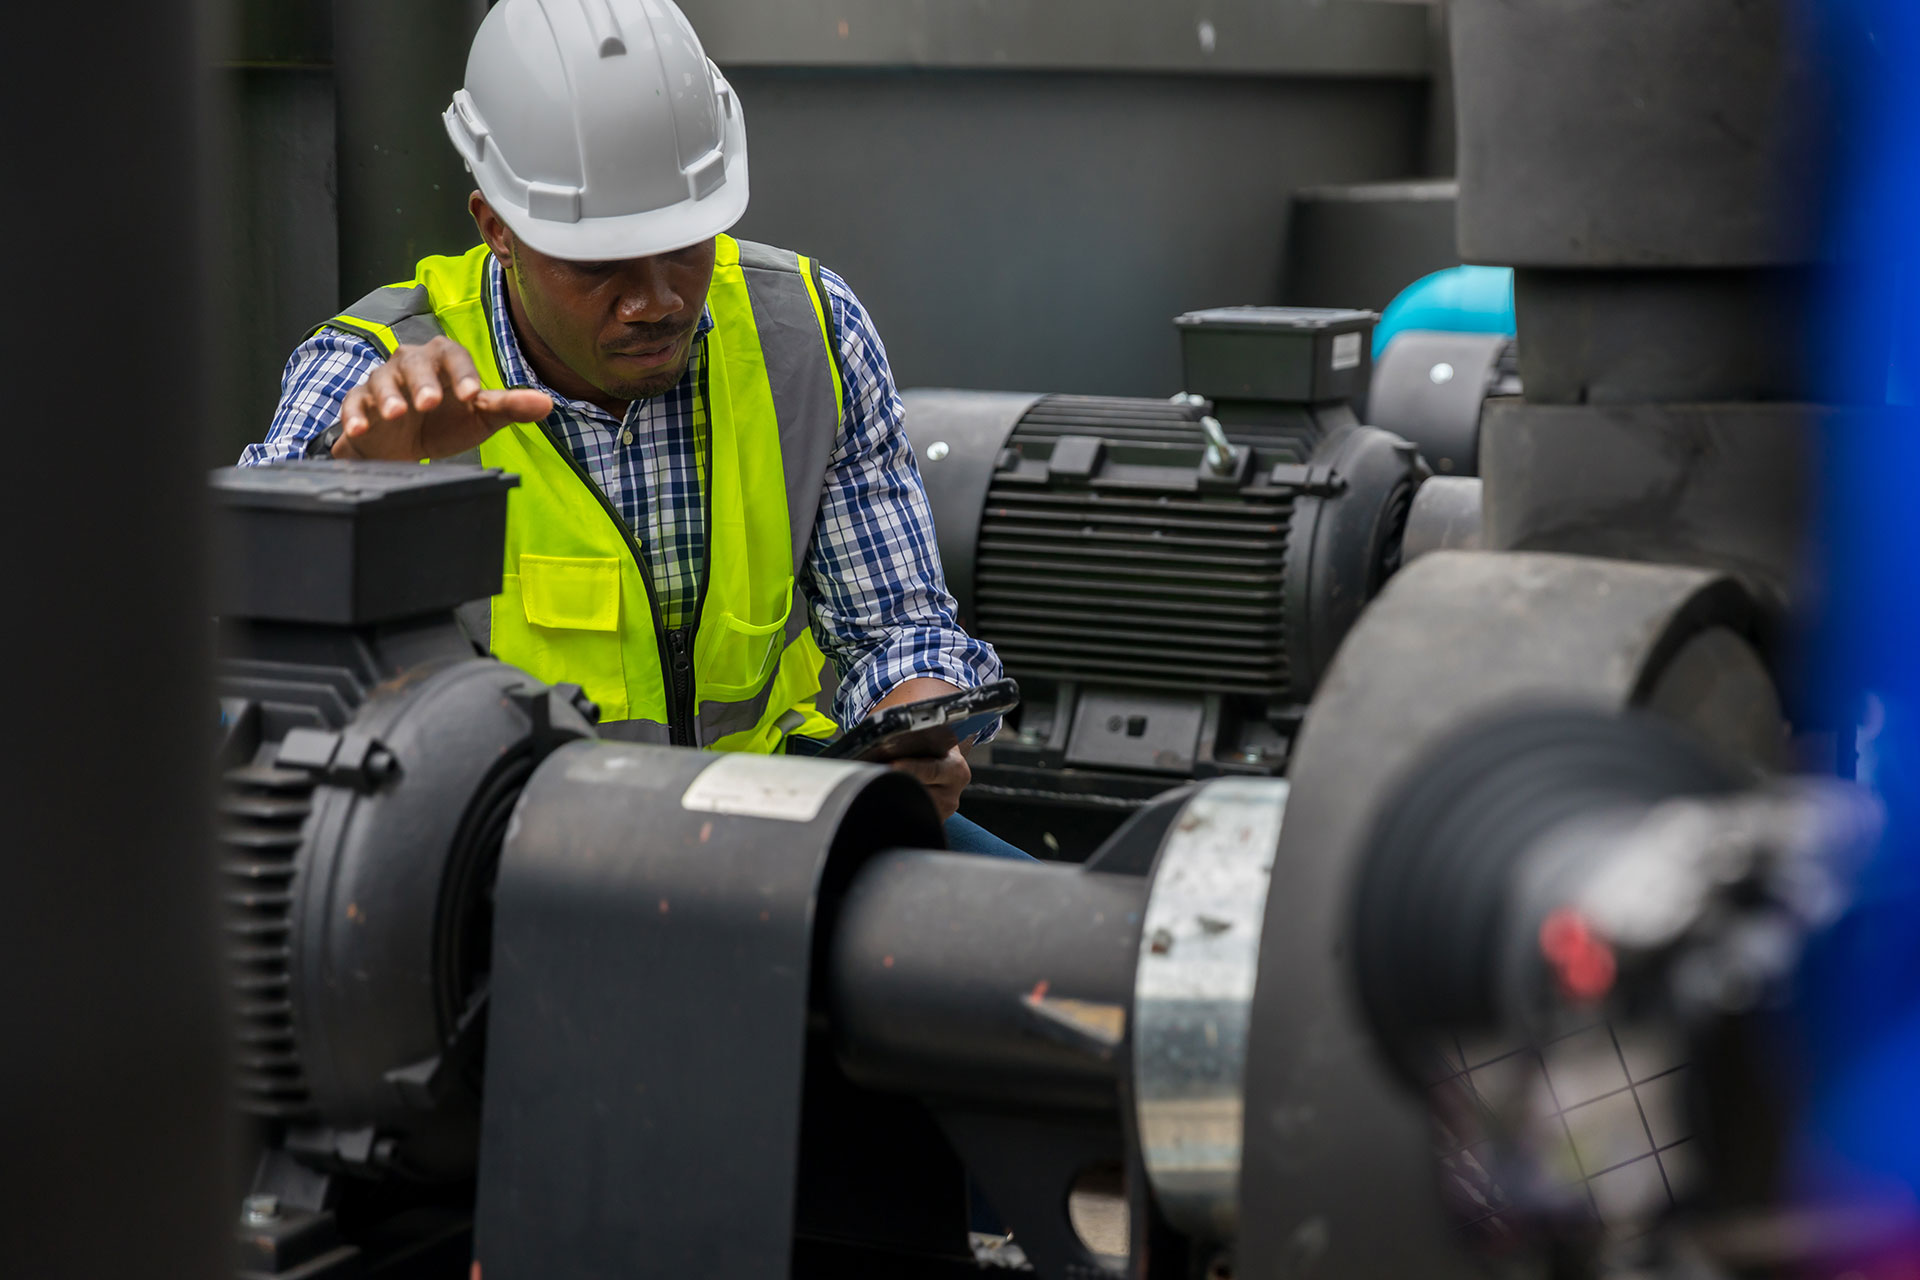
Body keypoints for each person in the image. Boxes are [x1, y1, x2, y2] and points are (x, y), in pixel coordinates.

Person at [241, 0, 1024, 857]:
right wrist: (353, 487)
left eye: (686, 245)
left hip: (770, 821)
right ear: (496, 226)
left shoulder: (808, 335)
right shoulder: (371, 377)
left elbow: (895, 624)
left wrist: (916, 720)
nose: (656, 300)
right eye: (600, 263)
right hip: (505, 859)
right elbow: (244, 665)